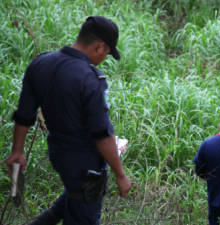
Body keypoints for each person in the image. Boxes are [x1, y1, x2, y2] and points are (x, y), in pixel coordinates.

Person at [5, 16, 131, 225]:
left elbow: (24, 114)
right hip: (86, 167)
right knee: (82, 209)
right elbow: (101, 135)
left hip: (59, 156)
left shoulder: (40, 63)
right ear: (100, 47)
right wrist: (120, 174)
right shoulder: (90, 79)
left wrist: (18, 151)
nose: (103, 59)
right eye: (107, 54)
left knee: (68, 203)